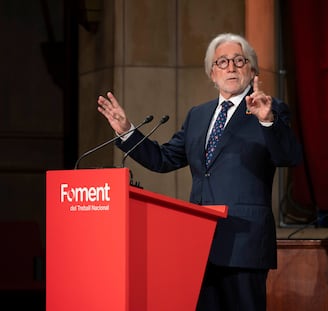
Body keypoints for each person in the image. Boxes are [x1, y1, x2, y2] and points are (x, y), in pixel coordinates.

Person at [97, 33, 302, 311]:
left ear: (252, 70)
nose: (231, 67)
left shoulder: (269, 109)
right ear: (212, 73)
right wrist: (127, 132)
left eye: (239, 60)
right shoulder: (198, 115)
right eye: (222, 62)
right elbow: (164, 159)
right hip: (200, 242)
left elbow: (288, 156)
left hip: (245, 241)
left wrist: (267, 122)